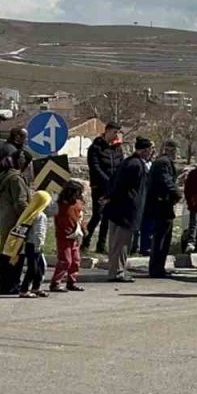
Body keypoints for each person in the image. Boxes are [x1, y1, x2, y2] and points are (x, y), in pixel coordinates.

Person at [104, 137, 153, 284]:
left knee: (116, 243)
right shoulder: (136, 165)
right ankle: (117, 272)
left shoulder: (128, 162)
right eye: (150, 149)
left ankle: (115, 270)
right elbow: (126, 189)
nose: (151, 152)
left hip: (119, 209)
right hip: (125, 211)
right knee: (121, 244)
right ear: (145, 150)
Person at [0, 149, 32, 294]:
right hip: (16, 221)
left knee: (6, 252)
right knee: (16, 253)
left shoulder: (3, 176)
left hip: (5, 219)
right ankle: (11, 284)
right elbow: (21, 202)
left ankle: (2, 284)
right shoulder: (16, 179)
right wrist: (30, 217)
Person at [84, 121, 123, 253]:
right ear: (107, 131)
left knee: (107, 216)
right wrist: (107, 180)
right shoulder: (96, 147)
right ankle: (85, 241)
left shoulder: (117, 148)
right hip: (99, 186)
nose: (115, 135)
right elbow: (95, 167)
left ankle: (101, 245)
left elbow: (120, 165)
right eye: (114, 132)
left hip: (112, 187)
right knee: (98, 215)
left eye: (117, 132)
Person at [145, 140, 182, 278]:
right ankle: (156, 268)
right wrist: (177, 194)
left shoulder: (163, 162)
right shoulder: (163, 163)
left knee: (163, 237)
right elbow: (166, 182)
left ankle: (158, 267)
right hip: (161, 205)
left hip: (162, 204)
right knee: (161, 238)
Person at [50, 180, 86, 292]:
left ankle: (71, 281)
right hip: (63, 236)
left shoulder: (78, 203)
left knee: (75, 260)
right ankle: (55, 282)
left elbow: (80, 217)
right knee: (65, 260)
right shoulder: (60, 204)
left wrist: (84, 228)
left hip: (75, 236)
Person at [19, 198, 50, 299]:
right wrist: (39, 245)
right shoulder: (40, 216)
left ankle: (36, 287)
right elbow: (39, 232)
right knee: (33, 268)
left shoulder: (30, 213)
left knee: (41, 266)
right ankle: (24, 290)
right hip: (34, 244)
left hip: (30, 243)